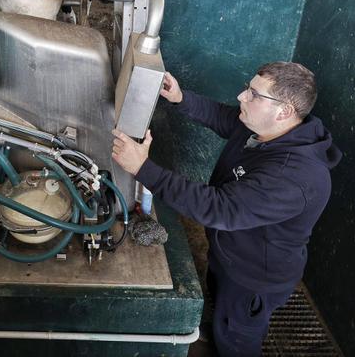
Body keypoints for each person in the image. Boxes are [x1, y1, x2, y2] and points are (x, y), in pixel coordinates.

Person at [112, 62, 341, 357]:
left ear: (284, 111)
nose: (241, 96)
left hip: (252, 276)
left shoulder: (294, 177)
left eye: (254, 94)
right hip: (230, 252)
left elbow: (219, 208)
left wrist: (143, 168)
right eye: (248, 88)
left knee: (237, 337)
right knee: (220, 307)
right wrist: (181, 98)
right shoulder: (268, 127)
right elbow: (226, 118)